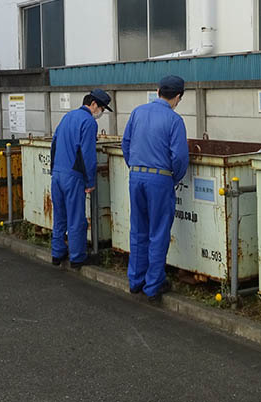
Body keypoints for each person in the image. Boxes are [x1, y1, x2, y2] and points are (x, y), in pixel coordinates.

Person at [122, 75, 189, 302]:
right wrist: (172, 178)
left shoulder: (137, 112)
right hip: (160, 180)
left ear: (157, 90)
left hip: (136, 176)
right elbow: (179, 158)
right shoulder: (174, 120)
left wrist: (135, 166)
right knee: (158, 232)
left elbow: (126, 143)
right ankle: (153, 285)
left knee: (138, 229)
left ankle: (135, 281)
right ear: (178, 97)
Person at [51, 89, 112, 270]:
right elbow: (88, 155)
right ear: (93, 104)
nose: (100, 112)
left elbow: (54, 143)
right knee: (76, 217)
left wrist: (54, 169)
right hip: (73, 175)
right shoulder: (88, 122)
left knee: (59, 215)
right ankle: (77, 258)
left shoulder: (67, 117)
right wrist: (90, 182)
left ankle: (57, 253)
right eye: (101, 108)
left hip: (57, 173)